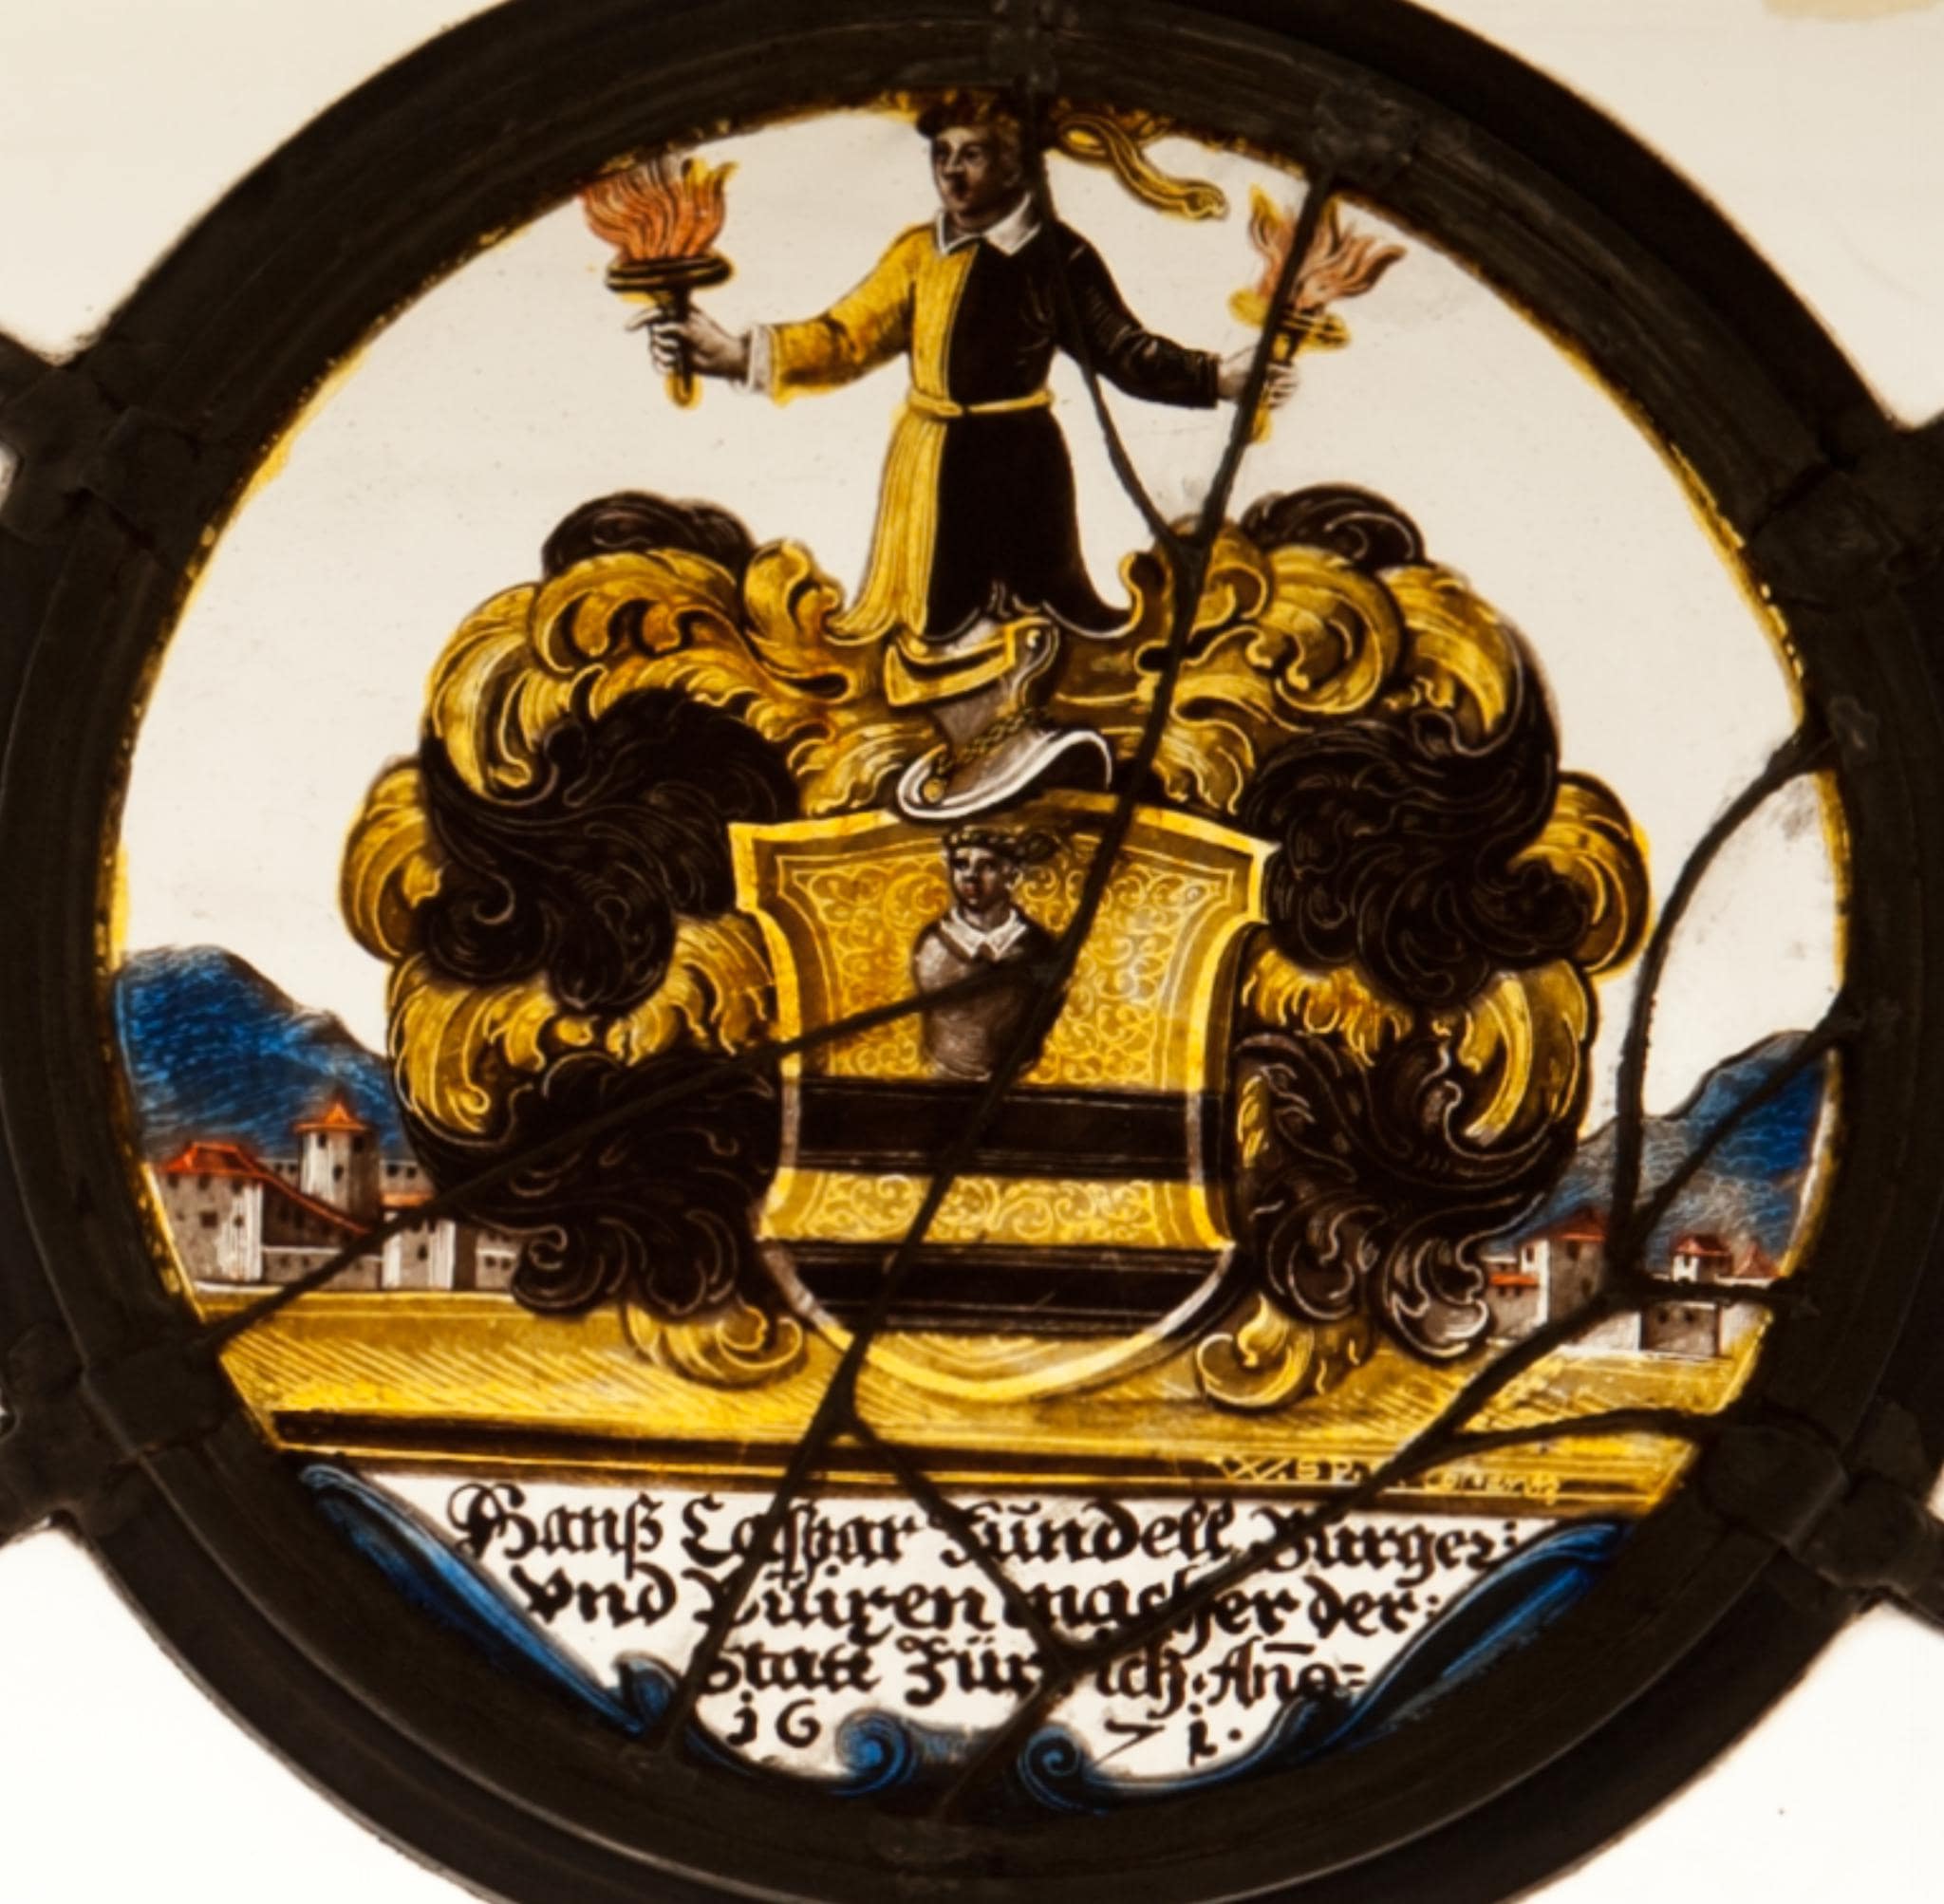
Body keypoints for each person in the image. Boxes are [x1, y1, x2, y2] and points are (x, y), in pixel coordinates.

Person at [651, 94, 1295, 814]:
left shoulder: (1055, 256)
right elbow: (844, 337)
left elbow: (1123, 350)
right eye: (942, 155)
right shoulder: (919, 252)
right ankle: (986, 749)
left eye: (973, 154)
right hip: (933, 465)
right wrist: (735, 353)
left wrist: (1217, 377)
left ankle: (1016, 742)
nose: (952, 172)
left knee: (1031, 605)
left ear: (1016, 166)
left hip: (1019, 461)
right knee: (936, 621)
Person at [910, 827, 1057, 1081]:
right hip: (942, 1081)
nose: (970, 876)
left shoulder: (1038, 947)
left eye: (987, 866)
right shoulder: (932, 944)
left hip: (1018, 1084)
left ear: (1012, 875)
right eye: (961, 865)